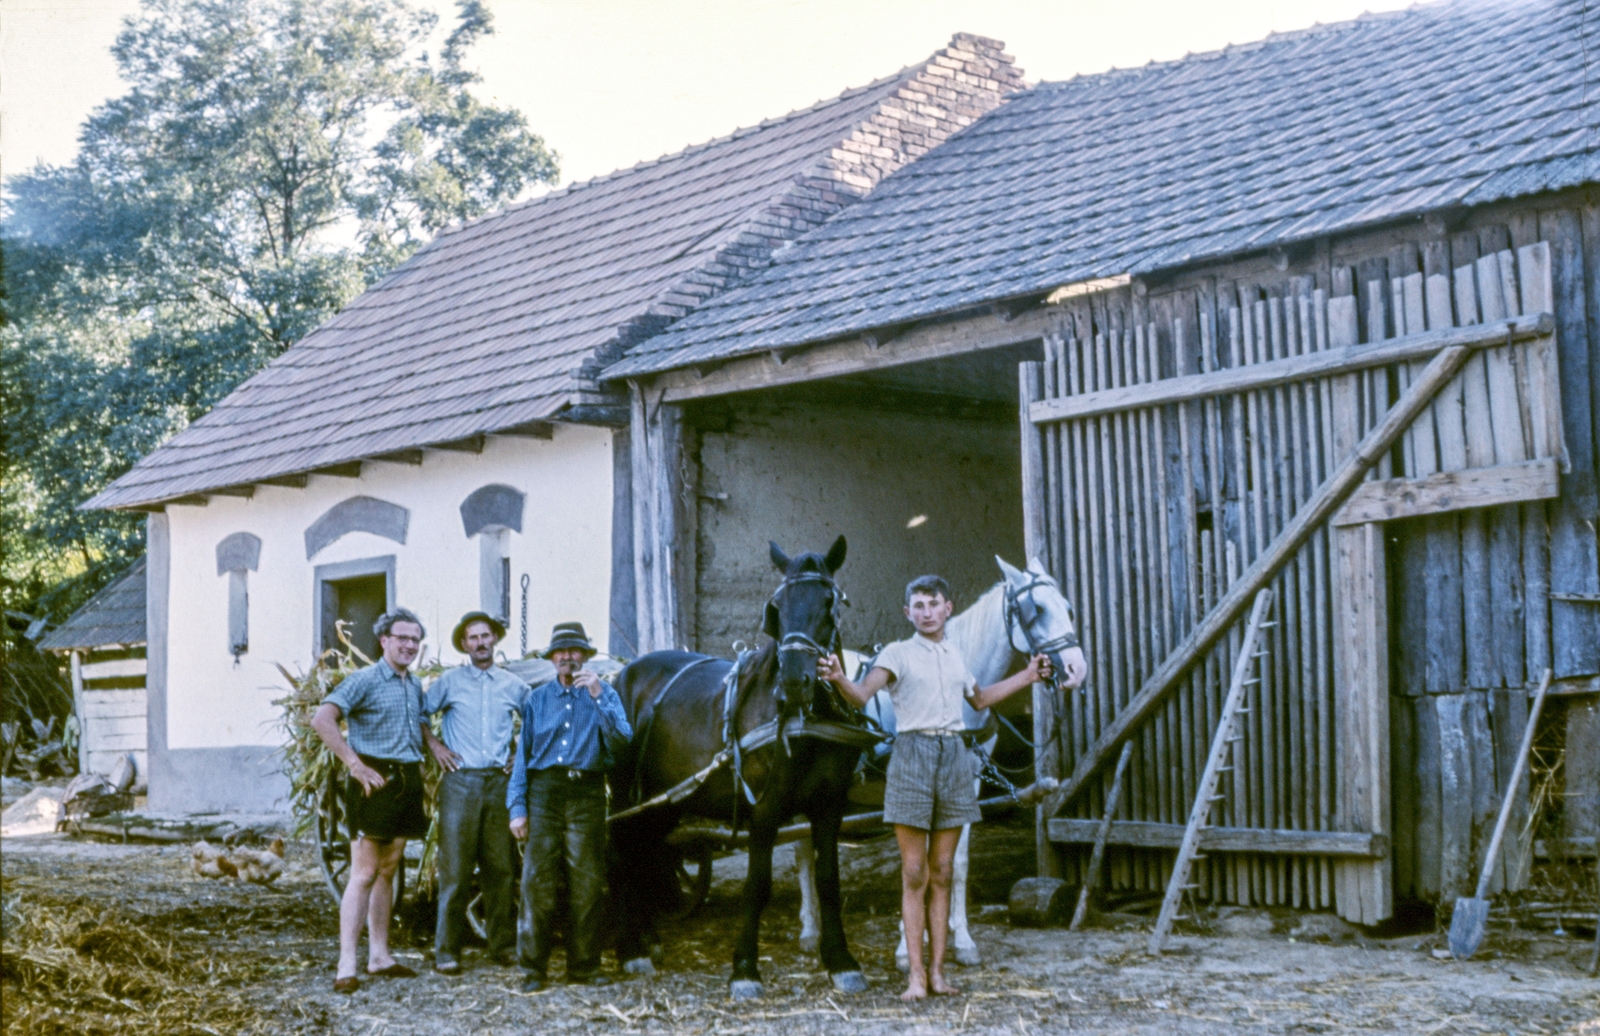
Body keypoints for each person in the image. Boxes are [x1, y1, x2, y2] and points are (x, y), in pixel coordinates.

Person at [818, 575, 1051, 1001]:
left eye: (934, 604)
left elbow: (980, 701)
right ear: (908, 613)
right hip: (911, 755)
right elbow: (861, 695)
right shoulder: (897, 653)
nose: (926, 612)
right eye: (918, 605)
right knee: (914, 872)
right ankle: (915, 976)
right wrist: (837, 677)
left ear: (948, 609)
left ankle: (939, 973)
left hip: (954, 759)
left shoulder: (957, 656)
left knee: (943, 872)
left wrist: (1029, 677)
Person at [310, 608, 433, 994]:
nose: (409, 645)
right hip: (372, 782)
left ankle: (380, 955)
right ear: (384, 640)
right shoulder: (363, 680)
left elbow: (421, 726)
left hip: (406, 780)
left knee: (389, 870)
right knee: (363, 873)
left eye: (415, 639)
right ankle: (347, 961)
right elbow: (322, 720)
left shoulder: (413, 685)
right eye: (402, 638)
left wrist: (434, 747)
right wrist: (354, 764)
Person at [506, 622, 632, 991]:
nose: (568, 658)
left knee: (587, 883)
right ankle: (532, 969)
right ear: (551, 659)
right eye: (561, 652)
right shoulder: (537, 699)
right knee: (537, 883)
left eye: (575, 651)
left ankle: (584, 967)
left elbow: (623, 744)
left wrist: (597, 696)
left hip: (586, 793)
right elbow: (522, 758)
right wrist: (517, 807)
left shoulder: (603, 693)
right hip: (544, 794)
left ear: (586, 657)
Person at [422, 611, 529, 974]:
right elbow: (419, 714)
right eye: (473, 638)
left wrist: (519, 754)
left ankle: (502, 946)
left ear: (495, 640)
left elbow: (535, 720)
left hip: (499, 783)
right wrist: (435, 746)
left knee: (500, 868)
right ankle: (447, 951)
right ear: (464, 645)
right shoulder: (450, 682)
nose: (481, 643)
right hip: (461, 782)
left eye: (486, 636)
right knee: (456, 869)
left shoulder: (513, 685)